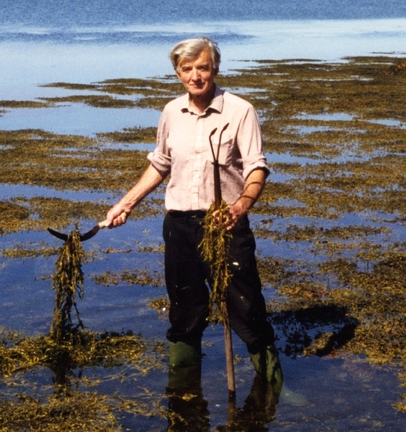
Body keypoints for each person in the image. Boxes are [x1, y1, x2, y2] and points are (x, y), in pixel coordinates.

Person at [105, 36, 283, 400]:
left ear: (215, 68)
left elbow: (257, 168)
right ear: (177, 73)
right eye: (187, 69)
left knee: (246, 310)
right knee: (185, 311)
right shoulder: (171, 112)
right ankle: (183, 390)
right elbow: (161, 164)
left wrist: (241, 205)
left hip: (226, 225)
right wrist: (126, 203)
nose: (195, 76)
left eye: (202, 67)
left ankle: (272, 388)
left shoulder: (240, 111)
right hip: (180, 226)